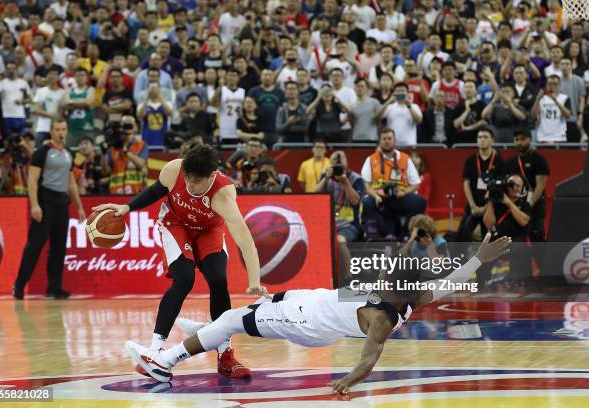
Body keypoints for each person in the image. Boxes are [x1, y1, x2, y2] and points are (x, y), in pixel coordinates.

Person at [126, 232, 512, 391]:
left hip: (306, 320)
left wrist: (346, 382)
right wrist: (479, 256)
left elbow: (369, 361)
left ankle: (167, 360)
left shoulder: (381, 319)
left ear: (395, 289)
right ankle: (212, 334)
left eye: (392, 275)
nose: (387, 272)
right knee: (251, 309)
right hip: (316, 302)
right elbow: (450, 282)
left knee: (231, 318)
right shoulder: (414, 295)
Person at [93, 144, 268, 379]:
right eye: (188, 179)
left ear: (211, 175)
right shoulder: (174, 170)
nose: (190, 185)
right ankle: (155, 350)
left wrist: (254, 280)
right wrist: (127, 207)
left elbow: (246, 242)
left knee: (218, 279)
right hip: (175, 224)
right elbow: (155, 191)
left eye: (196, 182)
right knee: (184, 279)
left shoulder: (224, 194)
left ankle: (225, 355)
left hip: (208, 229)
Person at [13, 118, 86, 300]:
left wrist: (79, 206)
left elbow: (71, 183)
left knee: (59, 248)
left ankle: (54, 288)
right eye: (57, 129)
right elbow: (32, 180)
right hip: (45, 202)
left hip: (62, 203)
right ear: (51, 131)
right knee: (35, 246)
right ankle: (19, 285)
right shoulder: (42, 152)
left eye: (63, 129)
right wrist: (35, 205)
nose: (61, 132)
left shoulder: (69, 153)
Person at [361, 129, 426, 239]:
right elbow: (366, 185)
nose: (387, 141)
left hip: (399, 197)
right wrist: (375, 195)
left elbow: (415, 184)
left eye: (389, 139)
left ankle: (405, 234)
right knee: (367, 202)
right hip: (379, 197)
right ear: (380, 142)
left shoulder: (405, 158)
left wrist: (404, 192)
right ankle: (375, 236)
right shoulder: (371, 159)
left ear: (394, 140)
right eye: (384, 139)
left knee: (420, 202)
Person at [314, 150, 364, 282]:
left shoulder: (356, 178)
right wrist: (325, 178)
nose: (337, 167)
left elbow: (355, 201)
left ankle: (348, 278)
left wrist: (345, 182)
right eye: (334, 163)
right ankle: (320, 277)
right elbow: (313, 196)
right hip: (328, 223)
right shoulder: (326, 176)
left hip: (349, 224)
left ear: (347, 163)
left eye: (340, 163)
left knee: (340, 240)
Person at [457, 127, 505, 242]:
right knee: (461, 238)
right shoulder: (470, 160)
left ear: (492, 140)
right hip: (472, 207)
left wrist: (487, 206)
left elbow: (500, 187)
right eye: (479, 137)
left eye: (485, 137)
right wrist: (472, 205)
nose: (482, 140)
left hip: (491, 207)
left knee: (490, 239)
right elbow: (466, 183)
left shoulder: (499, 161)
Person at [482, 174, 531, 287]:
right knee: (484, 248)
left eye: (518, 186)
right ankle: (483, 280)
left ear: (522, 188)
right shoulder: (496, 203)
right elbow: (488, 224)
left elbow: (524, 221)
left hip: (516, 239)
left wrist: (509, 203)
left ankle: (515, 280)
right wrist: (490, 201)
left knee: (519, 247)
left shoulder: (524, 204)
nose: (514, 188)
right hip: (498, 239)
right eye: (512, 185)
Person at [505, 129, 550, 243]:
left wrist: (528, 205)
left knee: (537, 238)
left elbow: (540, 187)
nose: (520, 142)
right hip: (517, 207)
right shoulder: (510, 162)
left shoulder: (539, 160)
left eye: (523, 139)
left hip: (535, 205)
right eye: (517, 140)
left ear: (530, 139)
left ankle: (543, 261)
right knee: (516, 240)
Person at [101, 115, 148, 195]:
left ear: (135, 127)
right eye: (124, 124)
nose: (127, 127)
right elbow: (105, 172)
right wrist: (103, 153)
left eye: (129, 124)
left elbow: (140, 164)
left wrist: (125, 150)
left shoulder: (141, 144)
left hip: (135, 192)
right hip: (115, 193)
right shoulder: (113, 147)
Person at [248, 69, 285, 148]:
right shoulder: (253, 91)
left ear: (273, 77)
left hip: (275, 129)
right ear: (260, 77)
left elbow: (284, 110)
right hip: (259, 130)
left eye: (269, 75)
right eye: (265, 75)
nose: (267, 77)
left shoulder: (280, 92)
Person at [531, 75, 571, 143]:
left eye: (555, 84)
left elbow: (568, 115)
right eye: (550, 84)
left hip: (559, 137)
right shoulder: (541, 98)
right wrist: (537, 100)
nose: (552, 86)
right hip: (542, 137)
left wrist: (555, 100)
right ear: (546, 85)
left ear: (559, 85)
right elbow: (533, 116)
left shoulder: (565, 98)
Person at [0, 60, 31, 139]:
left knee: (22, 139)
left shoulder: (23, 83)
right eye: (9, 69)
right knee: (8, 139)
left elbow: (30, 99)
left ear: (17, 69)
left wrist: (22, 101)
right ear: (6, 70)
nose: (11, 71)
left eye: (13, 68)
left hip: (20, 115)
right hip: (6, 116)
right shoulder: (2, 83)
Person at [381, 82, 422, 147]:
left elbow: (418, 120)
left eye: (402, 91)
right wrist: (388, 101)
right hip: (393, 145)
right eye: (397, 91)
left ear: (408, 93)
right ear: (394, 93)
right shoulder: (390, 107)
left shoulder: (414, 106)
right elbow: (378, 117)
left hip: (410, 144)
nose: (400, 93)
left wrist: (408, 106)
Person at [62, 67, 95, 148]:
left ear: (86, 77)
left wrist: (71, 102)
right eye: (78, 75)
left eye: (82, 75)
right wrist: (82, 102)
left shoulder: (90, 89)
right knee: (71, 152)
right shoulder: (69, 90)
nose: (80, 77)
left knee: (87, 154)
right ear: (74, 77)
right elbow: (65, 104)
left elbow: (88, 103)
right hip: (71, 129)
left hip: (87, 128)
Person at [33, 68, 65, 146]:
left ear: (58, 77)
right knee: (40, 151)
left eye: (55, 74)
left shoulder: (62, 93)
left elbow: (61, 112)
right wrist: (51, 115)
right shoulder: (40, 91)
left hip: (56, 128)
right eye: (50, 74)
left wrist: (56, 118)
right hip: (42, 128)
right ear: (46, 76)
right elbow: (37, 109)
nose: (52, 76)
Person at [216, 69, 245, 145]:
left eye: (234, 75)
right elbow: (212, 104)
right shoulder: (221, 90)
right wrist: (219, 87)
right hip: (224, 128)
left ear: (238, 78)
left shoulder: (243, 91)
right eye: (229, 75)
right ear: (226, 77)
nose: (231, 78)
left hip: (239, 129)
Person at [351, 78, 382, 142]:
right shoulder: (352, 105)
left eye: (362, 86)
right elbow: (351, 122)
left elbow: (379, 121)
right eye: (357, 86)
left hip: (372, 138)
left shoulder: (374, 102)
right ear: (354, 88)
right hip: (356, 138)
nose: (359, 88)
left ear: (367, 88)